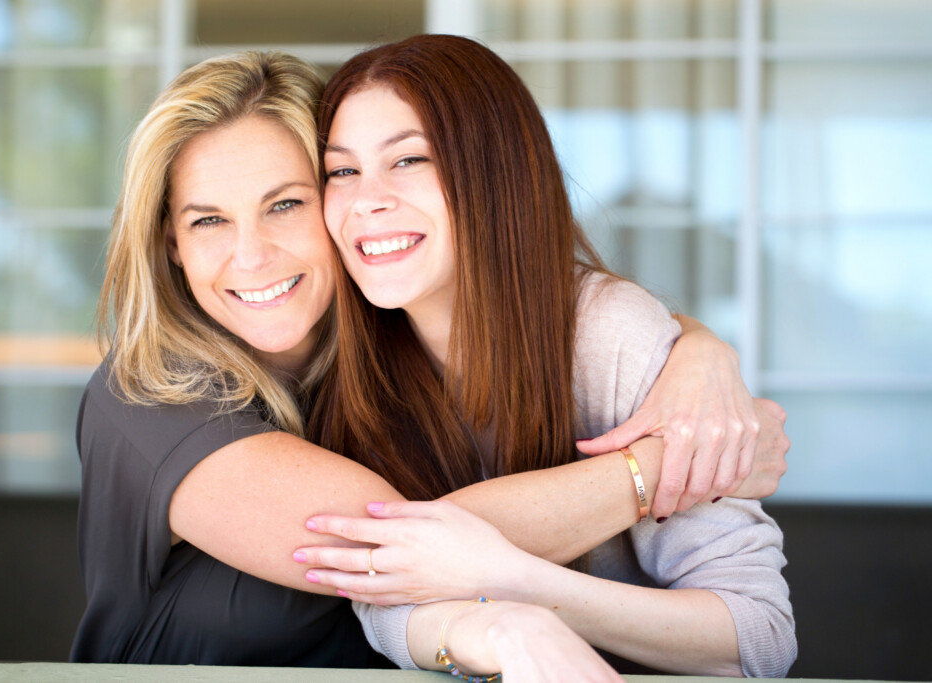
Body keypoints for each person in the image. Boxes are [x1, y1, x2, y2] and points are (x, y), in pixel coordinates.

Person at [71, 48, 786, 676]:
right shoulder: (152, 396)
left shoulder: (372, 345)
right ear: (167, 241)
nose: (251, 253)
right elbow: (397, 554)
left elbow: (758, 636)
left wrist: (697, 349)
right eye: (208, 220)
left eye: (287, 203)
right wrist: (669, 465)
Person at [296, 34, 796, 678]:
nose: (367, 199)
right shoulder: (337, 357)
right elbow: (381, 587)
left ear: (498, 170)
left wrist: (509, 579)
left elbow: (759, 636)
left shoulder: (608, 335)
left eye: (410, 159)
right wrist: (506, 620)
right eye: (342, 170)